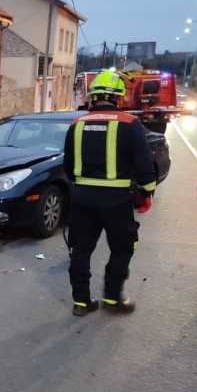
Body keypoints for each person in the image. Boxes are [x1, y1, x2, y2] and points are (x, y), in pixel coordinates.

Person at [62, 70, 156, 316]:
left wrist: (80, 185)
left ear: (93, 97)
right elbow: (144, 163)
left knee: (81, 249)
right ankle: (113, 299)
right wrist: (147, 192)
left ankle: (81, 302)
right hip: (117, 201)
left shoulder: (77, 124)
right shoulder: (129, 123)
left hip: (82, 198)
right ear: (118, 98)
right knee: (122, 247)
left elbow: (68, 165)